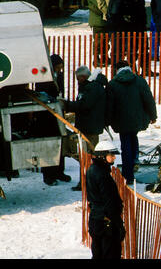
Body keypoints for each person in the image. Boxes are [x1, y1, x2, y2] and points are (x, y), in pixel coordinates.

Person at [106, 60, 157, 185]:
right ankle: (135, 161)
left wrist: (107, 120)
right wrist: (153, 115)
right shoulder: (139, 80)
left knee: (125, 144)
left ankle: (128, 174)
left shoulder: (113, 84)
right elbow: (148, 99)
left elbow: (109, 105)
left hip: (121, 120)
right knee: (133, 136)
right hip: (137, 119)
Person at [63, 66, 108, 191]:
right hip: (89, 126)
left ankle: (88, 183)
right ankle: (87, 182)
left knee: (88, 157)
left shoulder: (92, 87)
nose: (77, 81)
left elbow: (84, 105)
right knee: (88, 157)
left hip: (90, 127)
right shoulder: (92, 86)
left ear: (83, 77)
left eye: (78, 79)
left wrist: (67, 105)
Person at [35, 54, 71, 186]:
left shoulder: (59, 76)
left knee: (59, 143)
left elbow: (59, 92)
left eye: (61, 67)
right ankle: (48, 174)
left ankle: (59, 171)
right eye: (58, 67)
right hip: (45, 115)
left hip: (57, 114)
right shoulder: (43, 77)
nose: (60, 70)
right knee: (48, 145)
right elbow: (41, 94)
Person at [86, 140, 125, 259]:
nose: (114, 158)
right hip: (106, 222)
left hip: (95, 219)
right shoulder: (103, 175)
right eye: (111, 155)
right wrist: (118, 223)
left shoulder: (92, 169)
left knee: (98, 253)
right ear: (102, 156)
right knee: (110, 254)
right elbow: (109, 201)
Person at [107, 0, 137, 64]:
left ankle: (129, 68)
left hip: (123, 29)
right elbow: (114, 14)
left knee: (128, 50)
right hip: (117, 29)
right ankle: (117, 69)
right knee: (118, 51)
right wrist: (125, 18)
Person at [81, 0, 107, 65]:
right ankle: (96, 59)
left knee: (104, 40)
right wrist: (106, 11)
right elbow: (97, 4)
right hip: (97, 20)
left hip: (102, 19)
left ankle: (104, 57)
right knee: (98, 41)